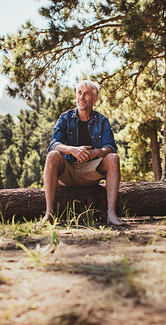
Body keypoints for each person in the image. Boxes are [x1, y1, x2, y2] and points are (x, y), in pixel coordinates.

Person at [41, 80, 126, 226]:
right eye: (79, 93)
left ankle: (111, 213)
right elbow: (53, 145)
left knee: (113, 158)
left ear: (94, 99)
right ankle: (49, 213)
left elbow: (110, 147)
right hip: (68, 170)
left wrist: (95, 153)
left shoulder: (102, 120)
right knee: (52, 155)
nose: (81, 96)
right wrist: (73, 150)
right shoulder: (65, 118)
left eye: (86, 93)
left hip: (90, 172)